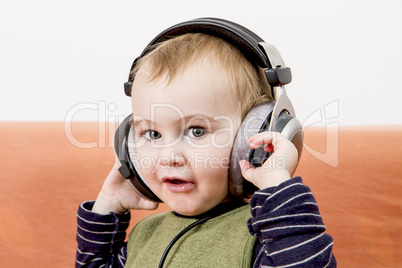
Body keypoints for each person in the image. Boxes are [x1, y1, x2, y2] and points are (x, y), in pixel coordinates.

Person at [76, 20, 336, 267]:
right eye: (152, 134)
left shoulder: (266, 239)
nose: (169, 156)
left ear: (252, 140)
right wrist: (106, 206)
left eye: (197, 131)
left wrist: (279, 188)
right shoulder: (145, 237)